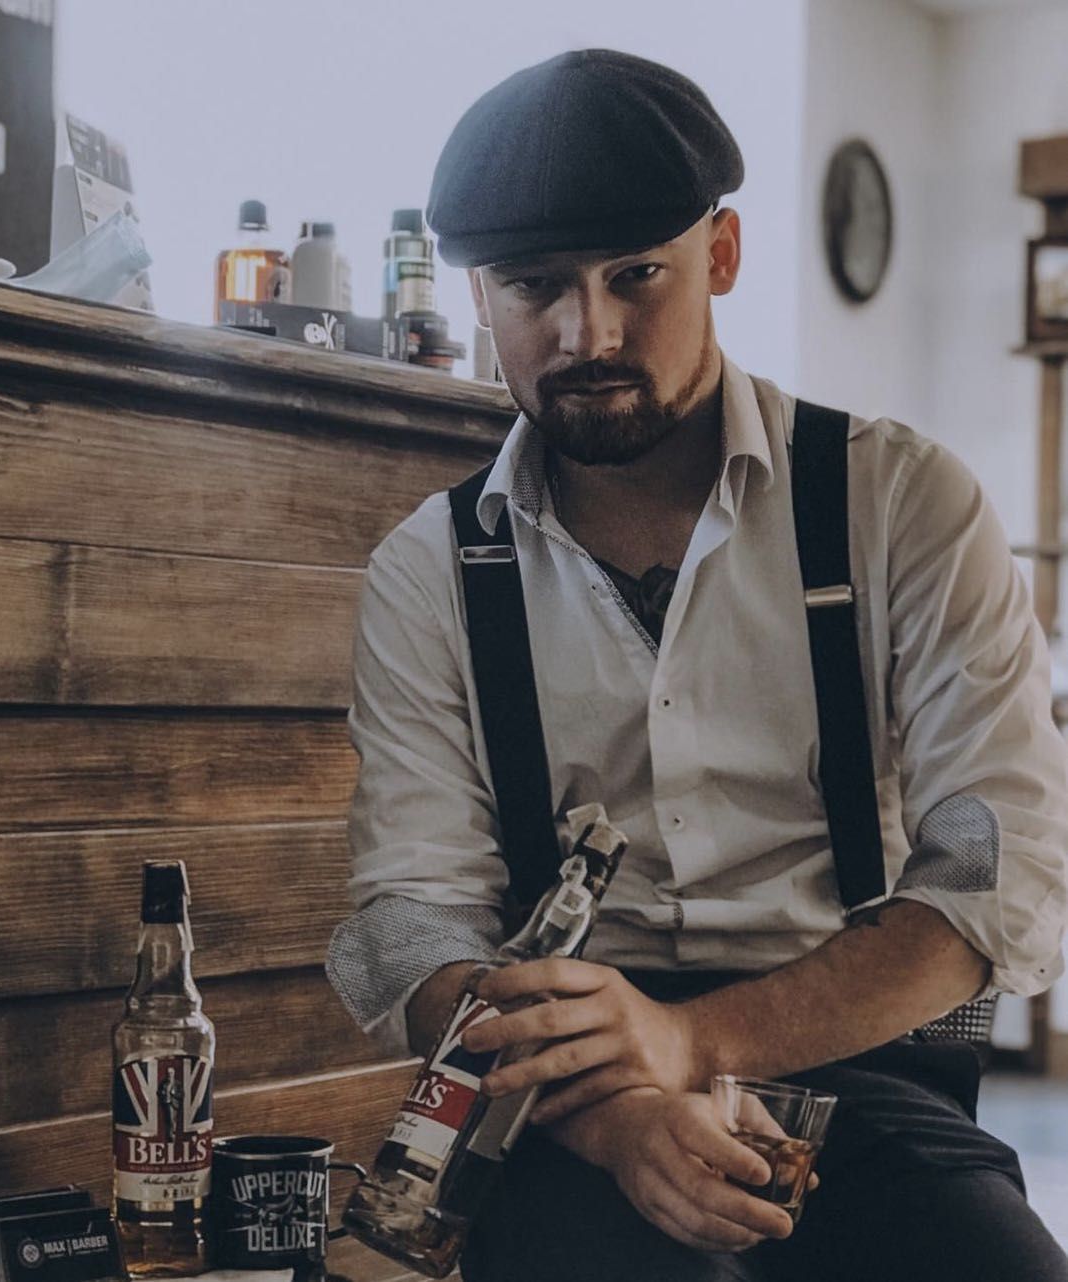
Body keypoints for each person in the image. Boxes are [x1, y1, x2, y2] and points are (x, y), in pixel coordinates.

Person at [326, 48, 1068, 1282]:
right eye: (534, 287)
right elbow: (415, 926)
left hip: (861, 1075)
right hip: (557, 1111)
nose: (588, 331)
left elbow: (991, 871)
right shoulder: (430, 572)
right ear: (478, 299)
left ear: (719, 256)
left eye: (637, 276)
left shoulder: (902, 506)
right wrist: (620, 1116)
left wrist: (687, 1039)